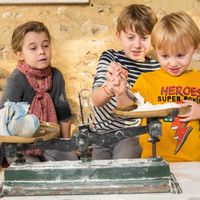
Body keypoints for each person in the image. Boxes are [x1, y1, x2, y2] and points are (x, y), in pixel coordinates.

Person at [115, 11, 200, 162]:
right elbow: (128, 108)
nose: (173, 63)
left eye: (180, 55)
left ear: (195, 47)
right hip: (153, 160)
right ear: (156, 49)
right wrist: (121, 93)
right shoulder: (147, 81)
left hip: (194, 162)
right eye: (165, 56)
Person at [0, 21, 78, 163]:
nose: (42, 51)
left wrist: (66, 145)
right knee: (34, 171)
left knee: (71, 163)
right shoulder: (17, 80)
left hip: (49, 140)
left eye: (45, 45)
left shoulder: (56, 76)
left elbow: (63, 112)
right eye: (33, 48)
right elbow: (3, 117)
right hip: (20, 145)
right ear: (20, 54)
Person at [91, 4, 160, 160]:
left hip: (132, 135)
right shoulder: (110, 58)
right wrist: (109, 87)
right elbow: (96, 100)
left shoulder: (156, 69)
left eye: (144, 37)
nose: (137, 44)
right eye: (130, 37)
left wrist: (122, 92)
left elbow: (136, 112)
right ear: (118, 36)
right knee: (96, 173)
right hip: (99, 136)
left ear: (153, 39)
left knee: (125, 165)